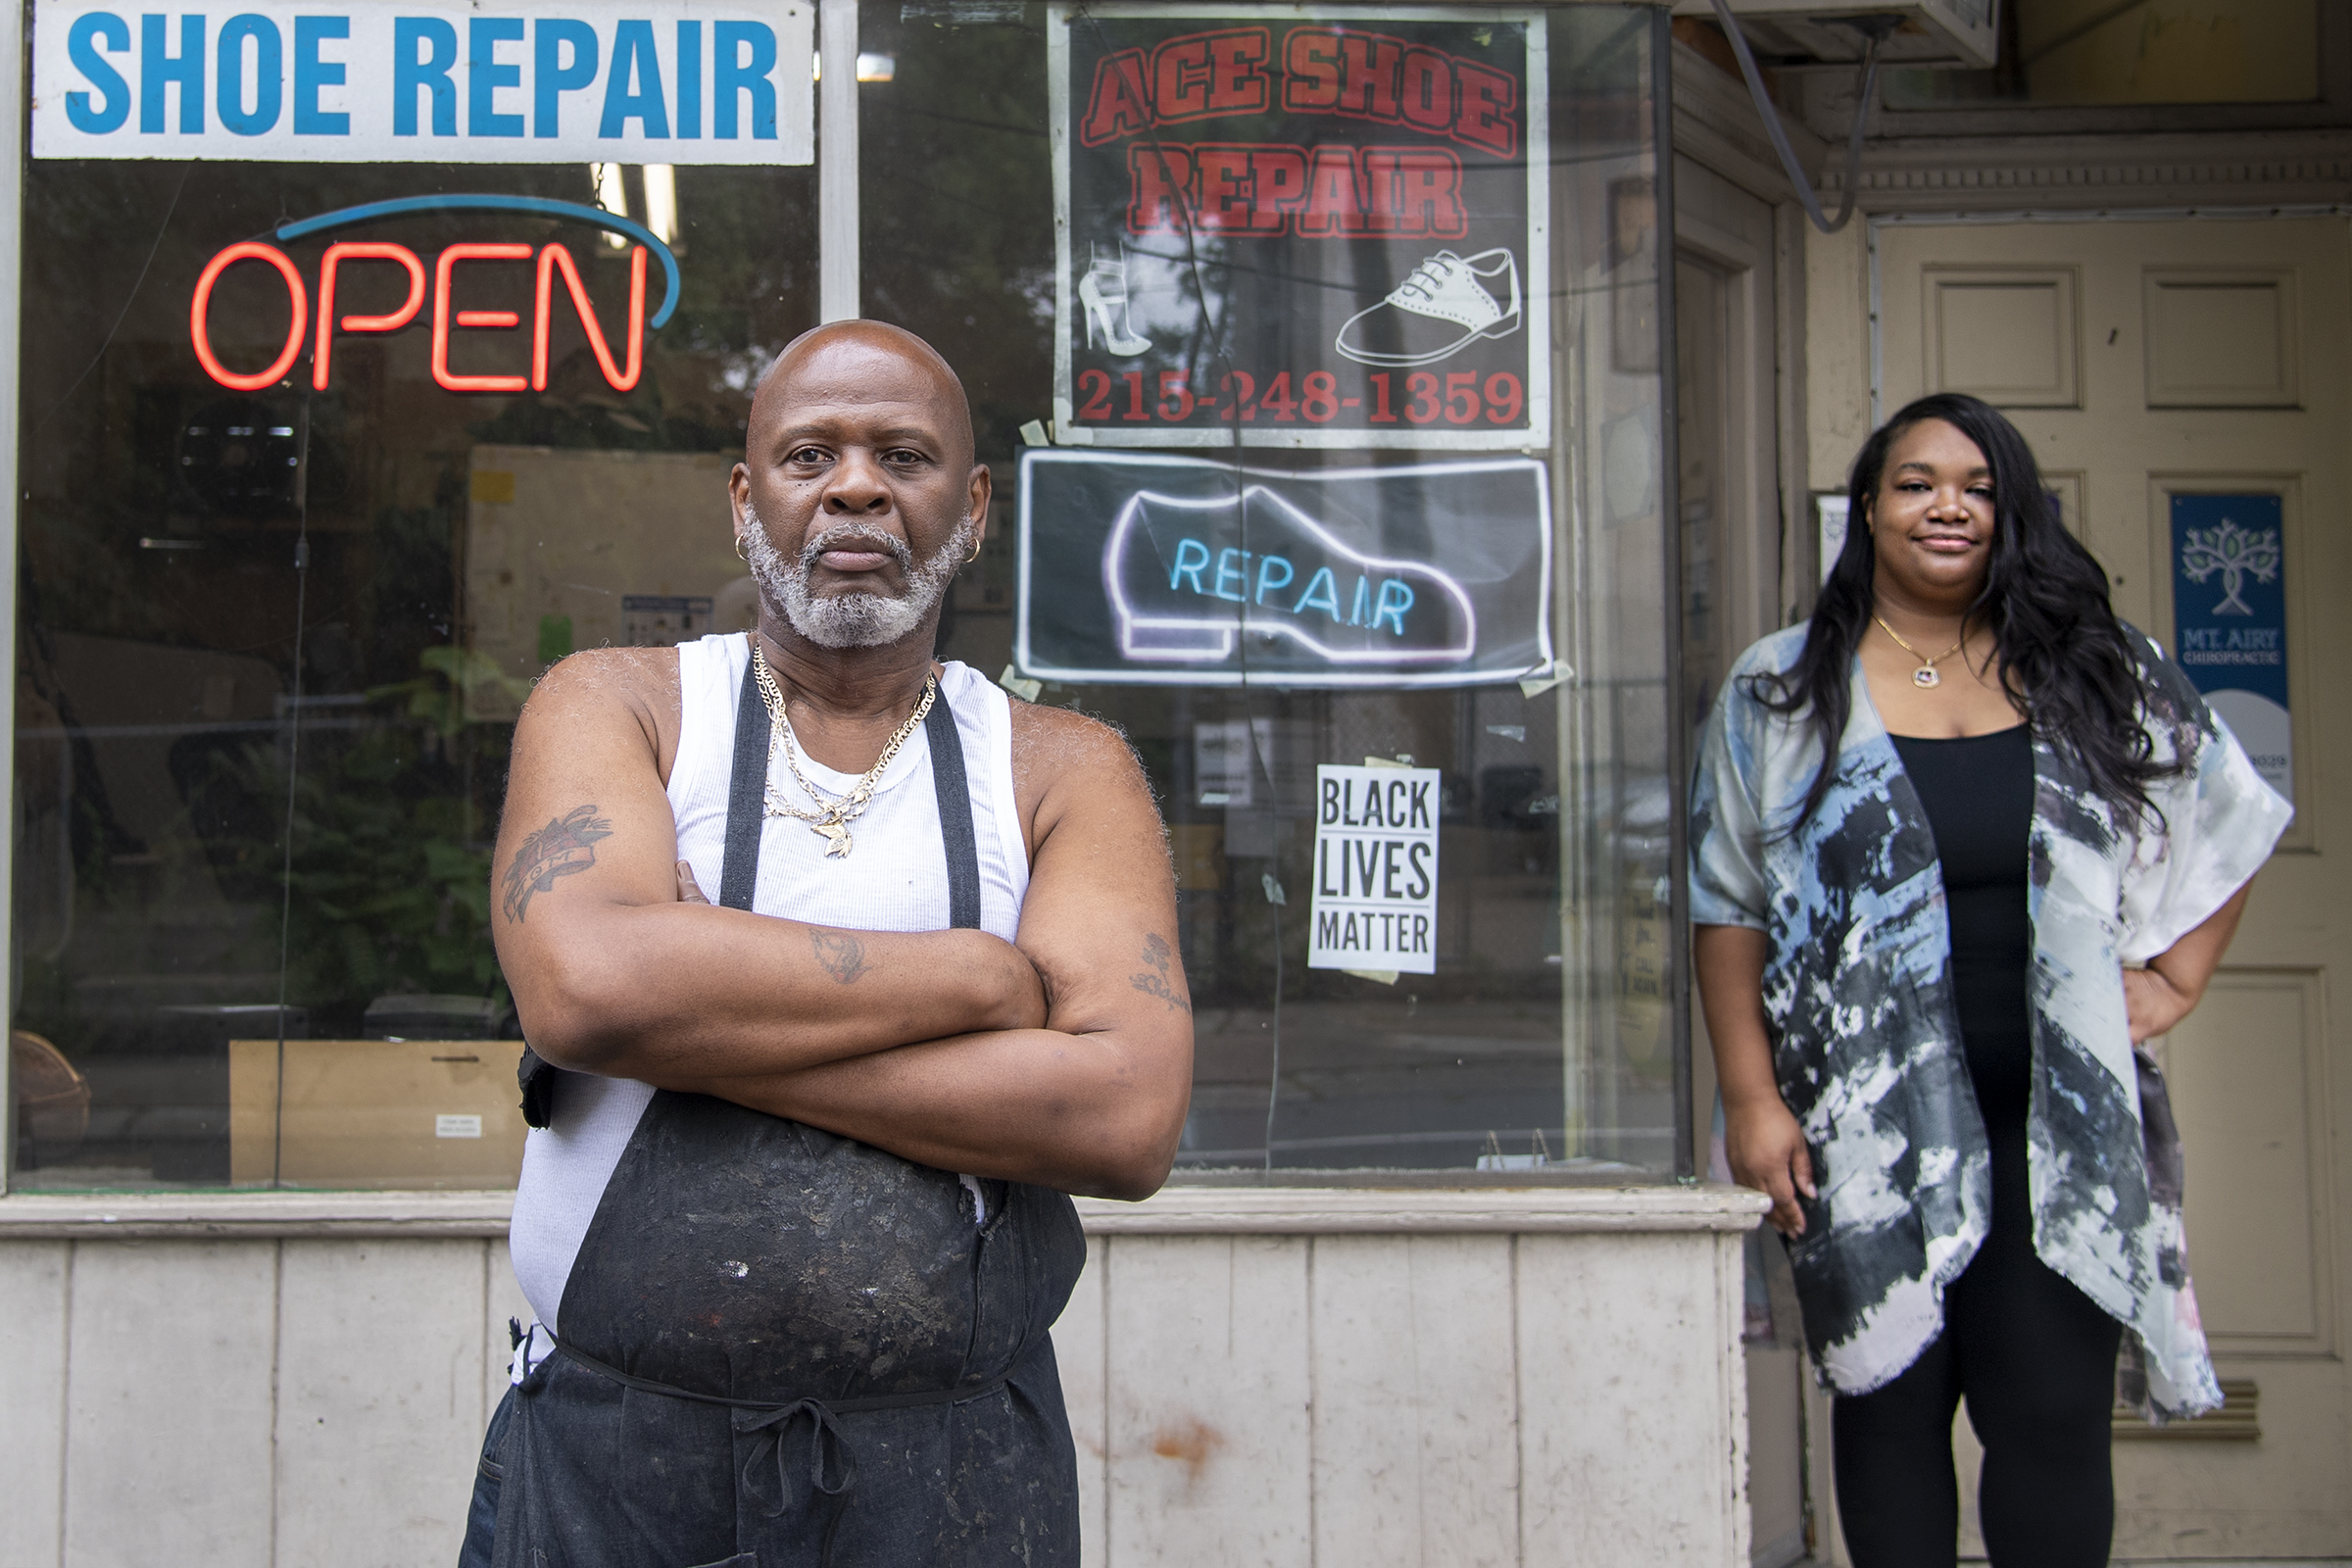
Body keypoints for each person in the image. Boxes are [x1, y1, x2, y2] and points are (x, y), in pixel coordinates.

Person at [461, 320, 1195, 1568]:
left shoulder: (1062, 767)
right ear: (747, 502)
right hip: (620, 1468)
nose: (856, 483)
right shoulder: (619, 703)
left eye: (901, 455)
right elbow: (584, 990)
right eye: (812, 453)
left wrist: (688, 1007)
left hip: (954, 1483)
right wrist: (980, 979)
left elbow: (1124, 1118)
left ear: (971, 509)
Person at [1690, 392, 2289, 1568]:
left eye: (1976, 485)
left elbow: (2233, 815)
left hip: (2056, 1131)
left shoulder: (2098, 667)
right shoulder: (1782, 690)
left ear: (2012, 510)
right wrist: (1754, 1102)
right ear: (1870, 509)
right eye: (1916, 483)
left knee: (2053, 1421)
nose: (1947, 506)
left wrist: (2175, 980)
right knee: (1889, 1407)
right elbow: (1728, 910)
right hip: (1860, 1127)